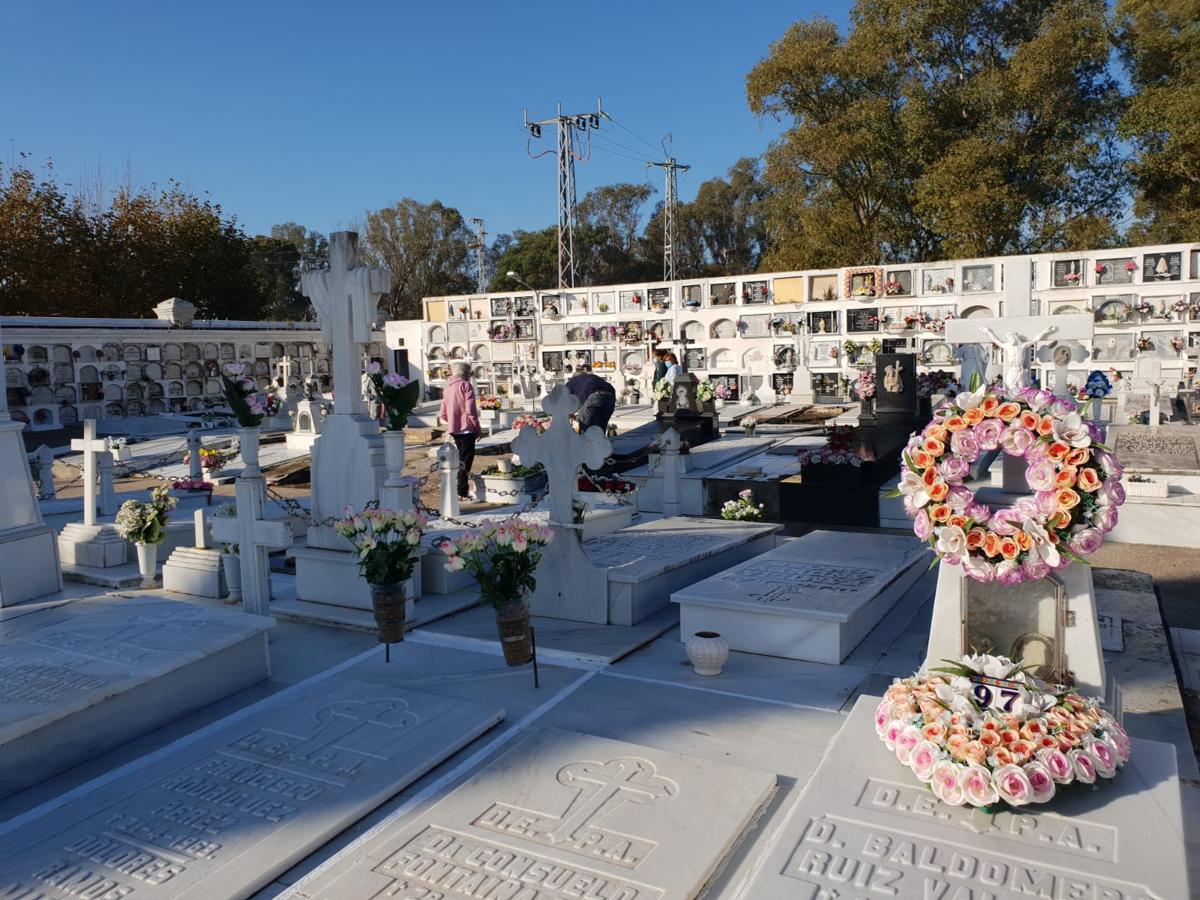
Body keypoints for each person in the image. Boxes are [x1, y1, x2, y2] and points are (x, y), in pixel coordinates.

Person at [438, 361, 481, 501]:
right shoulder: (466, 385)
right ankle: (462, 492)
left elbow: (443, 413)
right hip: (467, 429)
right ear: (466, 373)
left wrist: (453, 420)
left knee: (460, 459)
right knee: (466, 461)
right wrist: (477, 427)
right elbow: (470, 410)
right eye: (469, 373)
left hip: (455, 430)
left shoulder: (447, 388)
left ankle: (459, 489)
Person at [566, 364, 617, 433]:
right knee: (601, 427)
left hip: (593, 397)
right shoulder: (594, 377)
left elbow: (563, 397)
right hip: (610, 398)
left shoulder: (573, 380)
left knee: (586, 428)